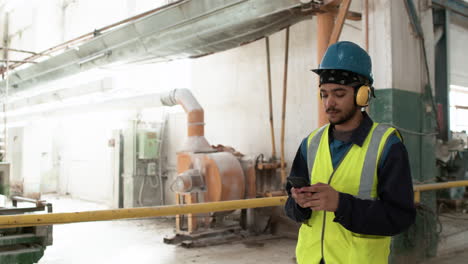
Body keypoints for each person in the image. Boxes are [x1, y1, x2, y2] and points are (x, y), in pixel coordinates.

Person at [284, 41, 416, 264]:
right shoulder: (311, 143)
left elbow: (400, 218)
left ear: (362, 95)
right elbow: (291, 205)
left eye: (339, 94)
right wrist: (298, 203)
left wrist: (341, 204)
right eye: (324, 94)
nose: (329, 103)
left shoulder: (387, 146)